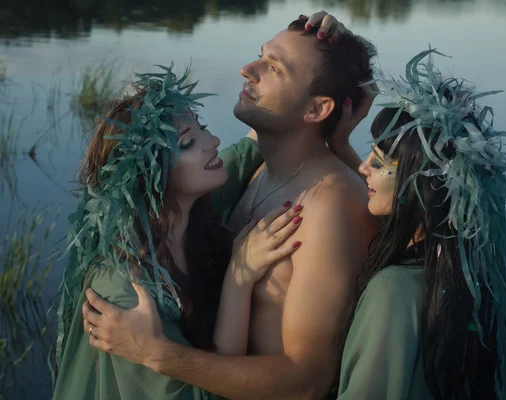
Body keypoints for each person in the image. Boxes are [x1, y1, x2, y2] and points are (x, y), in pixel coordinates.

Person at [81, 13, 381, 400]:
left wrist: (159, 354)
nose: (247, 69)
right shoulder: (258, 172)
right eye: (260, 55)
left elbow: (308, 382)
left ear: (316, 110)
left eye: (274, 67)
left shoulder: (329, 204)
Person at [52, 65, 306, 400]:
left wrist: (315, 47)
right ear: (150, 175)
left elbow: (253, 144)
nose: (213, 141)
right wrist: (239, 279)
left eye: (202, 128)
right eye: (187, 142)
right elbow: (210, 394)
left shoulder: (192, 205)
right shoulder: (124, 291)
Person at [331, 49, 506, 399]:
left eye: (378, 162)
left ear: (420, 184)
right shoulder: (469, 276)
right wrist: (338, 146)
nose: (363, 167)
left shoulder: (394, 289)